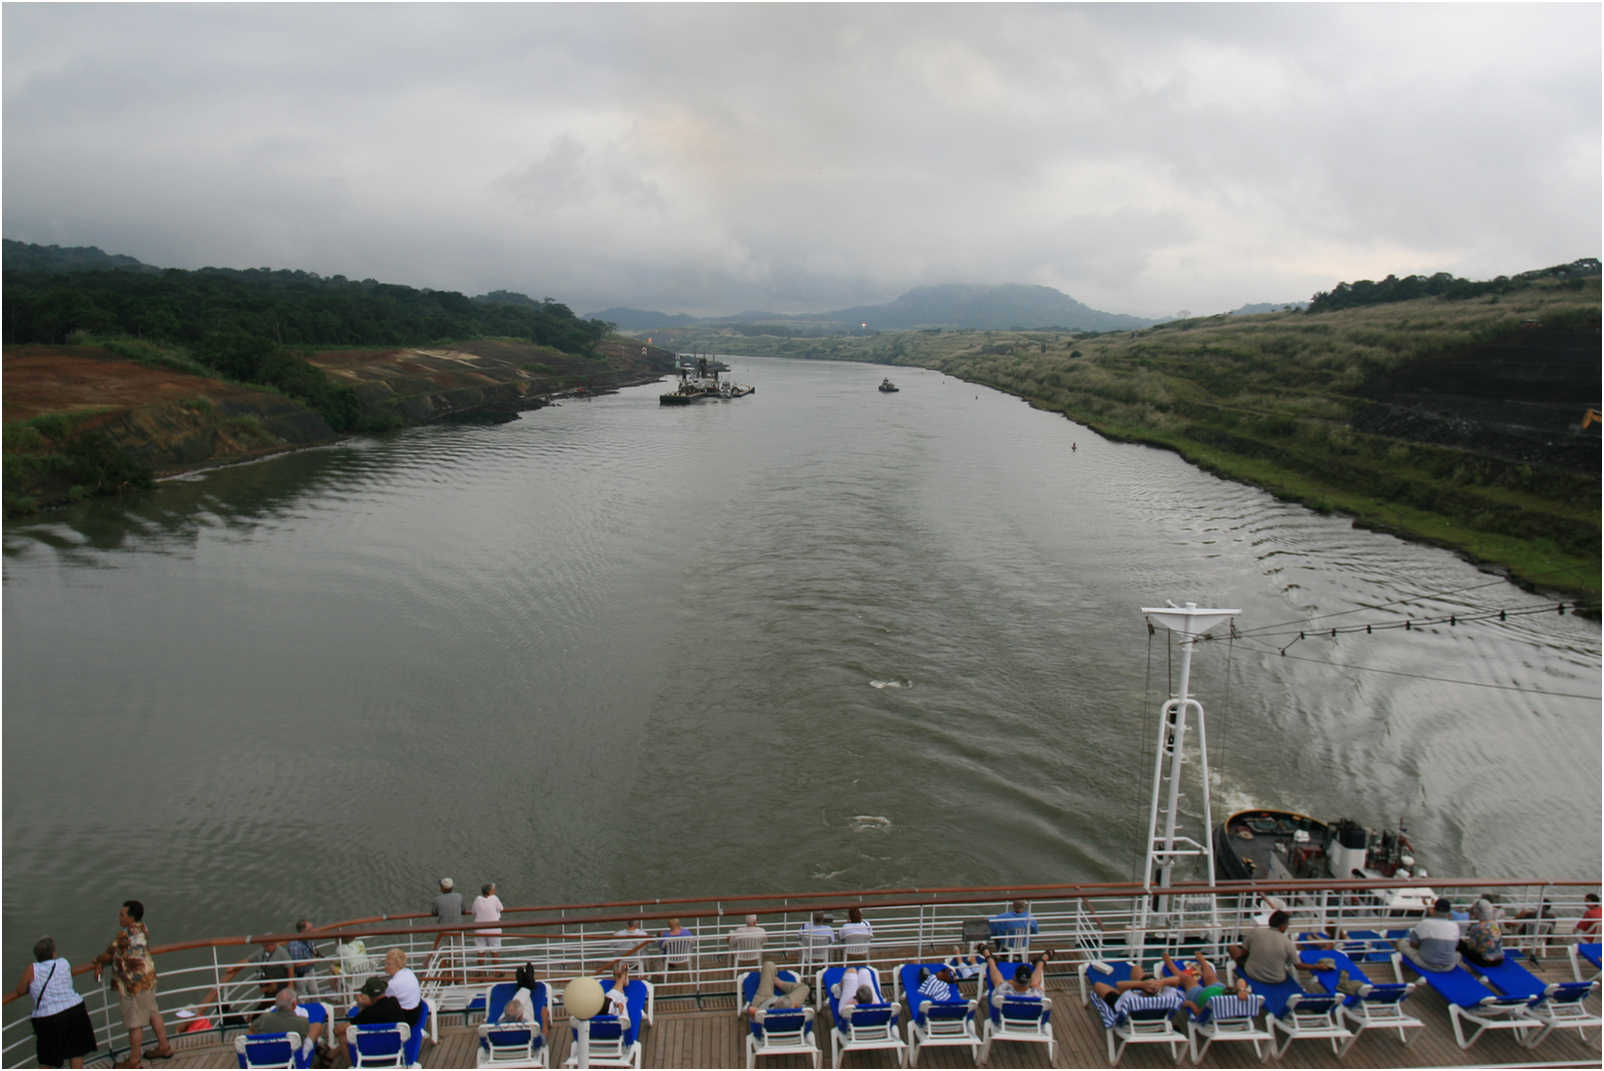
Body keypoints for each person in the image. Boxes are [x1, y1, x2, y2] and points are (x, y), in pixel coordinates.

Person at [90, 899, 173, 1068]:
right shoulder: (143, 928)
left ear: (131, 917)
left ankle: (134, 1061)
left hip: (133, 986)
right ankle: (164, 1047)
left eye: (122, 914)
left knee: (135, 1024)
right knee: (153, 1012)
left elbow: (109, 955)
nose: (119, 917)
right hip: (148, 979)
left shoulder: (124, 936)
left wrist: (98, 961)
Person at [13, 936, 96, 1069]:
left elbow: (20, 989)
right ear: (53, 953)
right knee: (76, 1052)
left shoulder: (32, 969)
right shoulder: (63, 963)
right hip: (74, 1009)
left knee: (48, 1059)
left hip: (48, 1018)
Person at [1087, 962, 1184, 1023]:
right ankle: (1143, 981)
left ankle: (1137, 984)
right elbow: (1178, 979)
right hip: (1157, 1018)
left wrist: (1141, 984)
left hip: (1129, 1014)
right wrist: (1161, 982)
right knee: (1137, 968)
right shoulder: (1166, 998)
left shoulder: (1129, 997)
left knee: (1098, 985)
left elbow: (1119, 985)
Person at [333, 976, 406, 1050]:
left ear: (369, 995)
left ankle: (349, 1062)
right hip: (396, 1046)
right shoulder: (394, 1002)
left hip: (373, 1049)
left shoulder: (368, 1013)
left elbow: (339, 1030)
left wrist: (361, 1006)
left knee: (343, 1038)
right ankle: (329, 1056)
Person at [1162, 952, 1248, 1015]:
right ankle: (1202, 961)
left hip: (1200, 996)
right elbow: (1241, 981)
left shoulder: (1217, 1006)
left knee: (1186, 979)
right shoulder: (1240, 999)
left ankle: (1170, 964)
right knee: (1211, 977)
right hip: (1221, 990)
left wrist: (1189, 1004)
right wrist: (1242, 990)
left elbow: (1198, 1013)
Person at [1232, 909, 1302, 983]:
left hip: (1252, 974)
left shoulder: (1255, 932)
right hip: (1276, 979)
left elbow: (1244, 953)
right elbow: (1298, 965)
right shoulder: (1287, 942)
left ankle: (1238, 974)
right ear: (1283, 926)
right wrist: (1315, 966)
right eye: (1287, 924)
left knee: (1232, 948)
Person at [1397, 897, 1462, 972]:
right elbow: (1455, 946)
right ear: (1449, 912)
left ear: (1434, 910)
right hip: (1448, 966)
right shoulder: (1455, 926)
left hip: (1426, 964)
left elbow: (1413, 944)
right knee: (1458, 955)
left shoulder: (1425, 923)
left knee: (1401, 943)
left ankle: (1403, 970)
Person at [745, 960, 810, 1017]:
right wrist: (795, 1006)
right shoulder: (796, 1015)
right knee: (804, 987)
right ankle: (780, 983)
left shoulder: (763, 1014)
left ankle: (775, 980)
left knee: (769, 965)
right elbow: (798, 1007)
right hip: (788, 1004)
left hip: (763, 1001)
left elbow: (750, 1010)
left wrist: (761, 1011)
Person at [983, 946, 1052, 999]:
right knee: (1036, 984)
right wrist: (1034, 985)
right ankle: (1041, 962)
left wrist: (1009, 982)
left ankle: (990, 959)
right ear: (1029, 981)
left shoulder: (1001, 993)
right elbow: (1035, 986)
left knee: (998, 983)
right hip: (1028, 1016)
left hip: (1005, 1015)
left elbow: (998, 987)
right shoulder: (1037, 996)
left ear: (1014, 977)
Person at [382, 948, 424, 1030]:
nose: (385, 967)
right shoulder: (408, 972)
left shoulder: (393, 984)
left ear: (397, 965)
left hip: (406, 1019)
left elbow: (382, 1000)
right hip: (416, 1012)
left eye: (388, 964)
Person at [1458, 898, 1505, 968]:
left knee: (1460, 943)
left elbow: (1472, 947)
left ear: (1477, 912)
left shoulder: (1476, 927)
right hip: (1499, 959)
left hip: (1485, 961)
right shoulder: (1495, 923)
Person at [471, 882, 505, 966]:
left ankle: (481, 973)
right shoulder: (494, 898)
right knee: (494, 951)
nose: (494, 891)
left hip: (480, 929)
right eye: (493, 889)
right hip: (494, 929)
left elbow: (473, 912)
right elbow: (501, 908)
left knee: (480, 951)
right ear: (489, 892)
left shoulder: (477, 899)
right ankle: (497, 971)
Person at [286, 921, 323, 988]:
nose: (312, 931)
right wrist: (312, 961)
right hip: (300, 975)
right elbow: (296, 964)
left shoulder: (309, 939)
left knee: (314, 991)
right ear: (303, 931)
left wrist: (316, 955)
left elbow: (313, 951)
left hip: (310, 970)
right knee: (303, 995)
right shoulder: (294, 945)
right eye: (310, 929)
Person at [433, 878, 465, 948]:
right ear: (452, 887)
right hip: (457, 928)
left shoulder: (437, 899)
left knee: (442, 950)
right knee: (458, 950)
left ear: (442, 888)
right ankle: (455, 958)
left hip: (444, 929)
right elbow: (464, 910)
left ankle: (443, 958)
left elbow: (433, 912)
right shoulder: (459, 896)